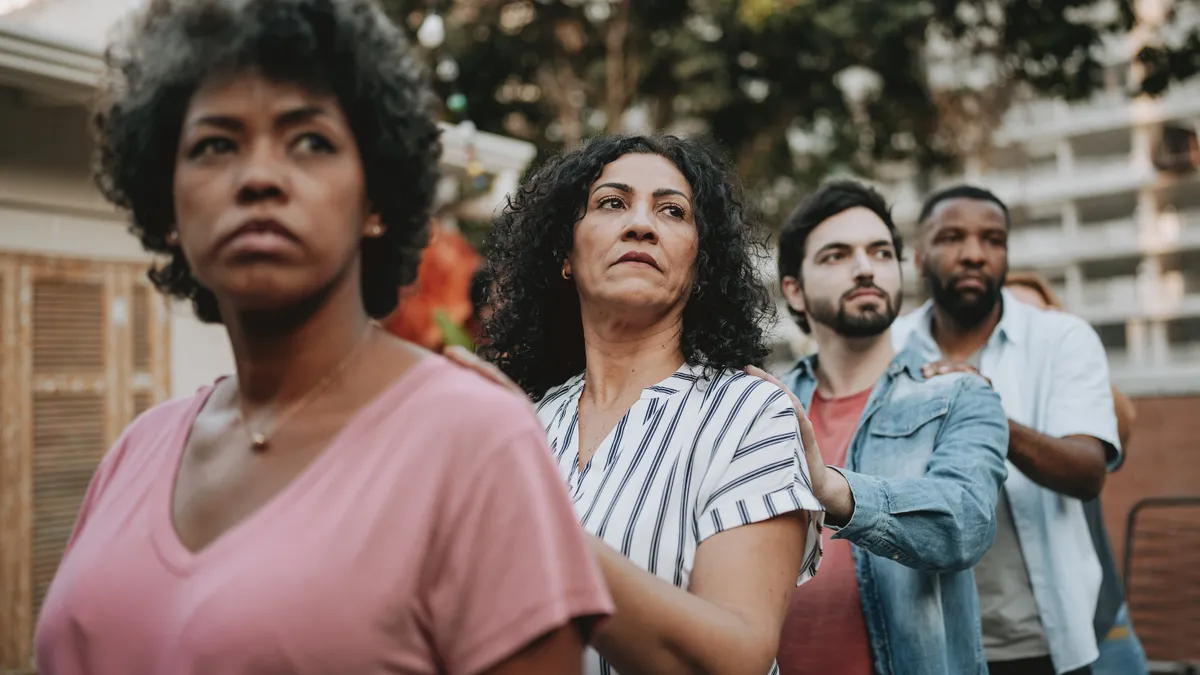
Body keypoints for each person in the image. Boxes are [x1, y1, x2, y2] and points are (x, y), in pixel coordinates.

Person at [33, 1, 612, 674]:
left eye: (310, 141)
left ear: (374, 201)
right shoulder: (137, 451)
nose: (259, 178)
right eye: (215, 144)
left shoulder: (472, 439)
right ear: (168, 209)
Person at [477, 134, 824, 675]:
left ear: (701, 264)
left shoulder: (749, 413)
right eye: (612, 203)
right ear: (565, 255)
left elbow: (735, 659)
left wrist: (545, 535)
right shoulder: (525, 424)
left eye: (672, 211)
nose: (641, 224)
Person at [767, 180, 1009, 675]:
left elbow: (965, 525)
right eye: (836, 255)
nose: (865, 268)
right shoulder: (760, 406)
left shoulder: (961, 395)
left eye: (880, 252)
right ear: (793, 289)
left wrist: (831, 489)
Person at [892, 185, 1123, 675]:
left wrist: (984, 408)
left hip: (1038, 643)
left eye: (993, 240)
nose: (975, 254)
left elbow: (1087, 472)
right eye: (952, 238)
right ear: (918, 257)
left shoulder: (1062, 338)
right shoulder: (887, 347)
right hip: (919, 642)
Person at [1004, 272, 1148, 675]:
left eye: (1039, 314)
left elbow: (1116, 432)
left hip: (1101, 616)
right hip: (1027, 635)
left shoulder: (1077, 405)